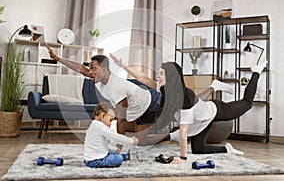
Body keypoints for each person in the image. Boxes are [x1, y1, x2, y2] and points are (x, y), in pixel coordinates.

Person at [47, 45, 232, 147]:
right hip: (138, 107)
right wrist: (58, 58)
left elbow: (120, 121)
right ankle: (212, 88)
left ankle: (210, 90)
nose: (90, 72)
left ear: (104, 69)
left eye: (93, 69)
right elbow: (80, 69)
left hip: (152, 103)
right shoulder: (97, 77)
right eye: (90, 69)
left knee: (186, 103)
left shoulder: (116, 86)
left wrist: (119, 147)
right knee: (141, 137)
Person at [110, 54, 267, 163]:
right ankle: (227, 150)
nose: (158, 76)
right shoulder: (165, 88)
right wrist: (123, 65)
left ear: (170, 77)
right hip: (200, 122)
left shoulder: (182, 99)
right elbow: (143, 78)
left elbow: (184, 132)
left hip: (214, 110)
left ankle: (256, 72)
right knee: (198, 149)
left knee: (246, 104)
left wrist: (182, 158)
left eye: (161, 73)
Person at [84, 102, 139, 168]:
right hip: (97, 160)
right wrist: (131, 141)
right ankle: (124, 157)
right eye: (110, 120)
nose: (110, 124)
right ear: (103, 116)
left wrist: (114, 149)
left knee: (114, 153)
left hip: (89, 160)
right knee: (118, 159)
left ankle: (125, 156)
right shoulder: (100, 126)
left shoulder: (93, 126)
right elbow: (115, 137)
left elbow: (102, 145)